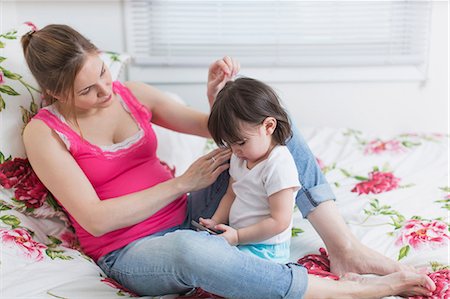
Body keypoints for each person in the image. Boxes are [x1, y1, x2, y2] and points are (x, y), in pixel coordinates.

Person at [21, 24, 435, 298]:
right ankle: (354, 291)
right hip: (132, 248)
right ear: (56, 94)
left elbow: (222, 131)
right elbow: (94, 219)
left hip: (194, 211)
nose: (106, 91)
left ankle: (344, 249)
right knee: (189, 249)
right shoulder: (44, 133)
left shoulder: (133, 93)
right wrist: (182, 183)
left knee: (272, 131)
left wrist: (218, 100)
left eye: (105, 74)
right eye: (88, 90)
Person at [200, 77, 300, 264]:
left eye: (241, 142)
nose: (235, 150)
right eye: (230, 144)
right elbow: (231, 194)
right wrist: (215, 221)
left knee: (222, 269)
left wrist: (238, 236)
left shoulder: (278, 165)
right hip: (241, 240)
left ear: (268, 126)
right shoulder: (240, 157)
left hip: (267, 248)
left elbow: (280, 221)